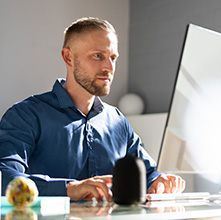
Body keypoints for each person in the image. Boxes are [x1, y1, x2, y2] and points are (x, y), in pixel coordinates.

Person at [0, 17, 185, 201]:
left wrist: (160, 181)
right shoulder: (25, 116)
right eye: (98, 56)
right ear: (68, 57)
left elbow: (147, 173)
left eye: (113, 58)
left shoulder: (118, 122)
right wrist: (69, 189)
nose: (109, 67)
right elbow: (5, 178)